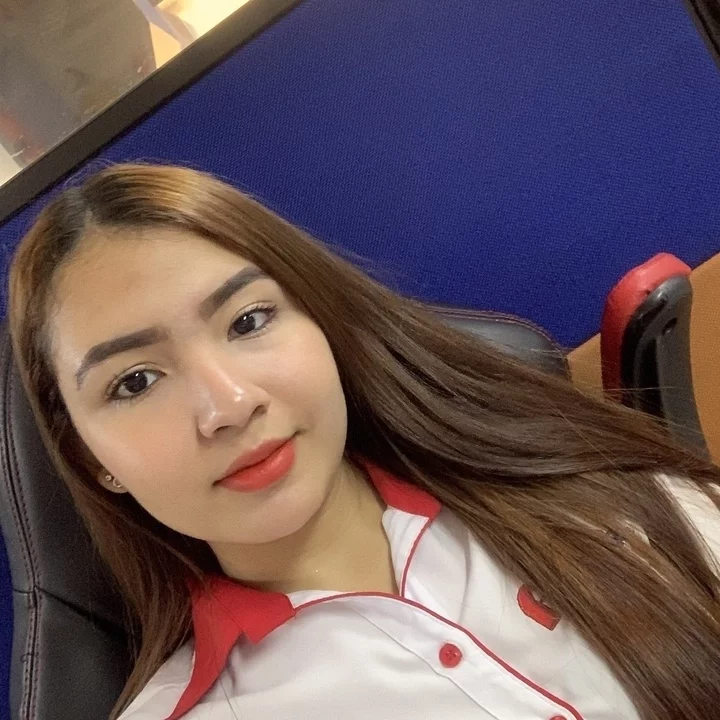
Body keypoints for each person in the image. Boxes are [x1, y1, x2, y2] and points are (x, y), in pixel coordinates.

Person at [7, 162, 720, 720]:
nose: (228, 405)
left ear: (321, 322)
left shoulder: (588, 497)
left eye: (248, 321)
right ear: (90, 460)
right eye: (135, 382)